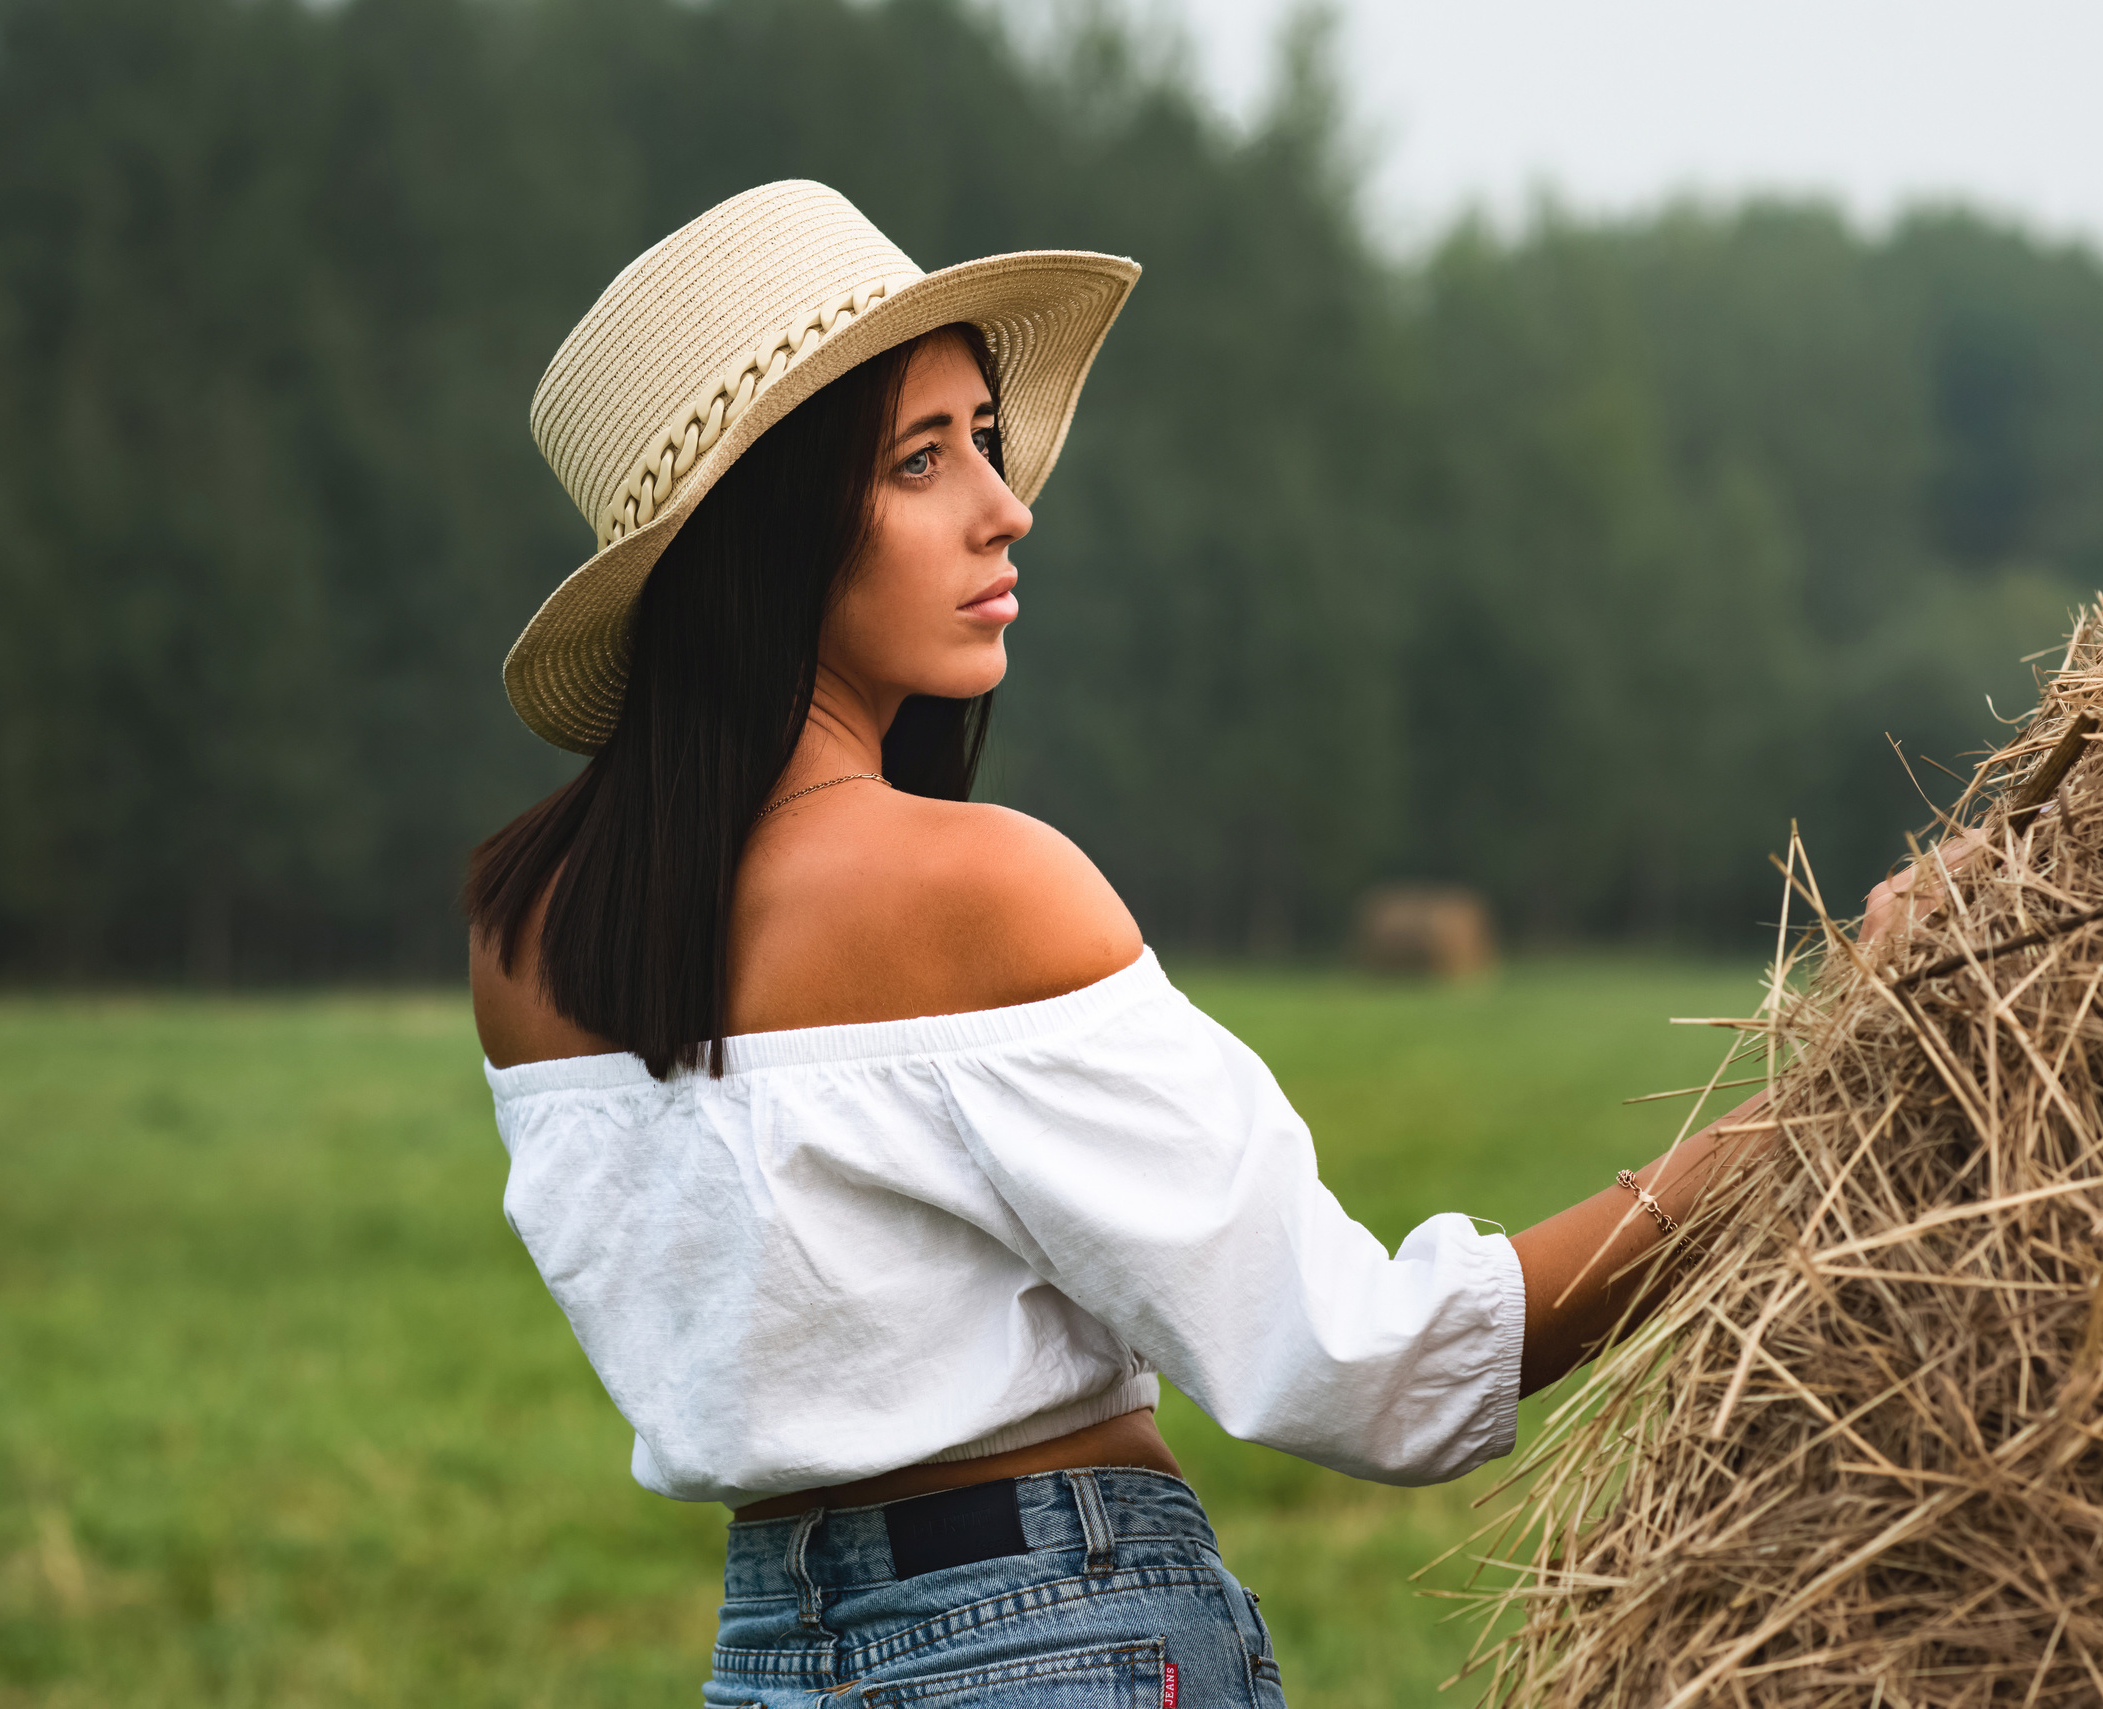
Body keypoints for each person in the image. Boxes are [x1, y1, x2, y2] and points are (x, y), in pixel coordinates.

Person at [467, 181, 1808, 1708]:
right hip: (1056, 1633)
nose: (1006, 505)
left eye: (984, 436)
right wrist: (1813, 1108)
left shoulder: (525, 941)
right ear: (764, 532)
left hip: (768, 1658)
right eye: (921, 459)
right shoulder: (979, 890)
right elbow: (1371, 1366)